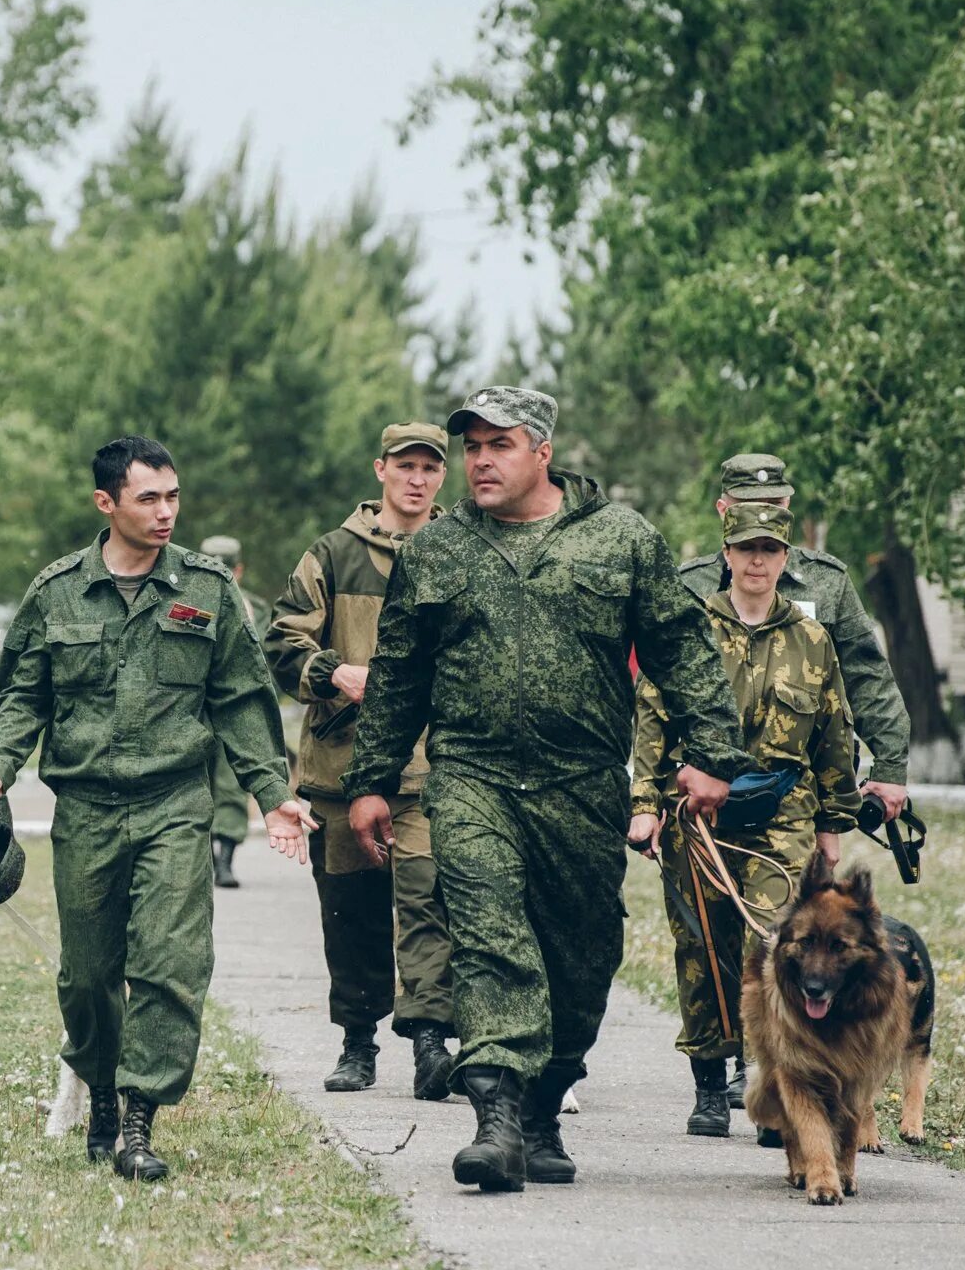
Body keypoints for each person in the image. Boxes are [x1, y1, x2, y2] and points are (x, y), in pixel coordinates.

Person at [342, 387, 751, 1193]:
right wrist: (372, 781)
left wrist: (713, 755)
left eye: (500, 444)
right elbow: (397, 677)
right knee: (490, 934)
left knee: (582, 949)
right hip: (472, 775)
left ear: (543, 453)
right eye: (473, 446)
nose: (480, 460)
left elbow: (683, 648)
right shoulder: (439, 549)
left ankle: (543, 1102)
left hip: (582, 782)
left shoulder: (620, 540)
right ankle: (495, 1115)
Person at [0, 436, 315, 1181]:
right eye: (148, 499)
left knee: (171, 963)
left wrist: (273, 796)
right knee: (88, 975)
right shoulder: (56, 590)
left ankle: (138, 1118)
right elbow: (21, 692)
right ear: (107, 503)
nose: (166, 513)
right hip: (88, 807)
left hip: (175, 802)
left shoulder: (207, 587)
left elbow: (242, 699)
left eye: (173, 497)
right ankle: (100, 1086)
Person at [678, 452, 911, 1107]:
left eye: (780, 507)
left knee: (778, 929)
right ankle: (714, 1067)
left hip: (790, 793)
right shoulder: (689, 586)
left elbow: (864, 676)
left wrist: (887, 768)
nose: (767, 522)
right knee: (705, 936)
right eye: (753, 508)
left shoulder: (827, 585)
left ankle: (776, 1067)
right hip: (703, 793)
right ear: (723, 512)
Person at [629, 503, 861, 1138]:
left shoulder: (812, 641)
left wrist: (832, 822)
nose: (757, 560)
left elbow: (834, 735)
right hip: (697, 816)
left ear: (786, 560)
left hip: (782, 812)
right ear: (726, 554)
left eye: (770, 549)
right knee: (701, 947)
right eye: (745, 548)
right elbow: (653, 717)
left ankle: (775, 1090)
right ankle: (710, 1083)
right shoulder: (688, 630)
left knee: (774, 946)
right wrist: (645, 807)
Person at [265, 421, 454, 1099]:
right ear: (381, 470)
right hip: (341, 773)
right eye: (405, 465)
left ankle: (431, 1040)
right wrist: (335, 671)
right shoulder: (333, 554)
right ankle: (357, 1041)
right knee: (349, 912)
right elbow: (281, 642)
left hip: (431, 769)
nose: (416, 478)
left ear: (442, 476)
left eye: (429, 467)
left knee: (427, 901)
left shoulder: (461, 550)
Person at [197, 534, 273, 889]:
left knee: (231, 786)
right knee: (194, 784)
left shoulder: (256, 611)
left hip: (237, 712)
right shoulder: (182, 604)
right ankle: (205, 858)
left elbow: (269, 664)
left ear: (238, 570)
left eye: (224, 569)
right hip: (193, 712)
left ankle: (225, 860)